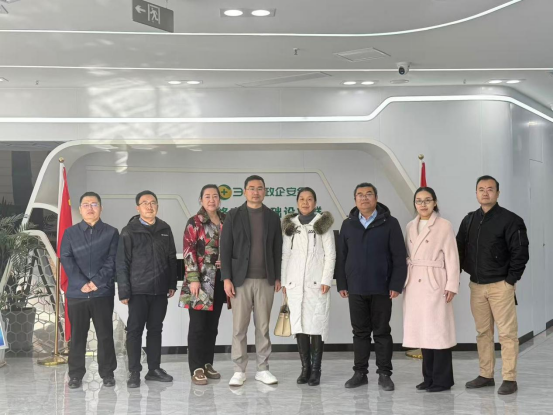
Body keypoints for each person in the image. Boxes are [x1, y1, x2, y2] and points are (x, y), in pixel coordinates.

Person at [457, 176, 530, 396]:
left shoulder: (511, 220)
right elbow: (459, 249)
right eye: (481, 189)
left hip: (501, 286)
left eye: (490, 189)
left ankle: (509, 378)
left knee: (507, 334)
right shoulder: (469, 220)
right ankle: (486, 375)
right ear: (476, 193)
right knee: (483, 333)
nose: (485, 193)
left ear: (498, 193)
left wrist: (510, 281)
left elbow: (520, 252)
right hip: (477, 286)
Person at [336, 183, 407, 391]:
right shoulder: (348, 224)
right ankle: (360, 373)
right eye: (360, 195)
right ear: (355, 199)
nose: (364, 198)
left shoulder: (390, 223)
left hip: (382, 287)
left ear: (376, 198)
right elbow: (342, 257)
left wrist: (396, 284)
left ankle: (385, 374)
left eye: (368, 194)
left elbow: (399, 256)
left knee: (382, 332)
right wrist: (342, 283)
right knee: (360, 333)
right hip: (356, 287)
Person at [220, 175, 283, 387]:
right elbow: (225, 248)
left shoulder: (272, 217)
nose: (256, 192)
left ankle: (263, 369)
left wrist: (277, 276)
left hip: (266, 280)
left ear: (265, 191)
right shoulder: (233, 215)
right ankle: (239, 370)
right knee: (239, 327)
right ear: (245, 191)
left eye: (260, 188)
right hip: (240, 280)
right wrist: (226, 278)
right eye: (252, 188)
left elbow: (277, 249)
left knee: (263, 327)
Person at [117, 190, 178, 389]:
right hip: (138, 290)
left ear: (157, 206)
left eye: (153, 202)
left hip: (160, 290)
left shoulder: (165, 228)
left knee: (155, 330)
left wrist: (171, 283)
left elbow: (171, 258)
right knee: (134, 331)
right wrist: (124, 290)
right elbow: (122, 262)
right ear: (138, 208)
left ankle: (154, 369)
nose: (149, 206)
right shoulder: (129, 231)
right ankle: (134, 372)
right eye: (145, 203)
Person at [403, 187, 460, 393]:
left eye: (427, 200)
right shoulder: (410, 226)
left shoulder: (444, 225)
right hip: (414, 283)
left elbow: (452, 256)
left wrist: (452, 284)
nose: (423, 204)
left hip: (435, 281)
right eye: (419, 201)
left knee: (438, 332)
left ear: (435, 202)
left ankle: (442, 380)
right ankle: (428, 378)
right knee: (423, 332)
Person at [60, 192, 119, 390]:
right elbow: (66, 258)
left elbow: (113, 259)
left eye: (94, 204)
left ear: (101, 208)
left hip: (102, 292)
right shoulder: (70, 233)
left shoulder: (111, 232)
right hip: (77, 293)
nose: (90, 208)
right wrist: (81, 282)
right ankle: (75, 374)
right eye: (86, 204)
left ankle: (107, 373)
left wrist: (96, 282)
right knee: (78, 336)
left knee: (105, 334)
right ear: (80, 209)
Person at [281, 187, 336, 387]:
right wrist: (285, 281)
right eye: (302, 199)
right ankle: (305, 369)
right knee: (299, 326)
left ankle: (316, 370)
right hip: (295, 284)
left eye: (310, 199)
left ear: (315, 202)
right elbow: (286, 254)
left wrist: (326, 280)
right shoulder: (291, 226)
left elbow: (330, 254)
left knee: (316, 326)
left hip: (316, 284)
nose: (305, 202)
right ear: (297, 202)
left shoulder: (322, 224)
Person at [179, 185, 227, 386]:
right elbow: (188, 251)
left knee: (212, 327)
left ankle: (207, 363)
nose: (211, 200)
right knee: (198, 326)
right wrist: (193, 278)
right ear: (201, 200)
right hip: (200, 281)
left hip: (220, 280)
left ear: (219, 200)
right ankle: (196, 367)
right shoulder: (195, 222)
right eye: (207, 196)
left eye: (215, 196)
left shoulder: (226, 220)